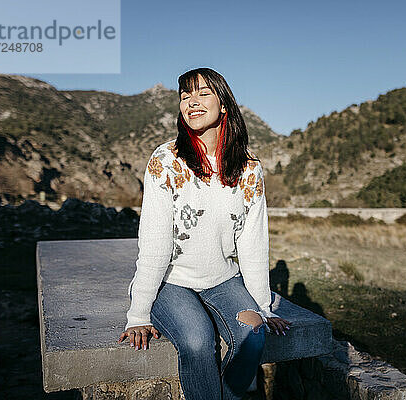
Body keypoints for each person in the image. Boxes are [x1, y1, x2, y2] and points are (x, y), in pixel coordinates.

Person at [117, 67, 292, 400]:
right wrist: (138, 313)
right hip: (172, 281)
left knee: (253, 334)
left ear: (223, 104)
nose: (191, 102)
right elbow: (154, 242)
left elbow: (252, 243)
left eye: (202, 93)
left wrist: (264, 307)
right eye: (185, 95)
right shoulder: (166, 160)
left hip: (222, 279)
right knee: (198, 341)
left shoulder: (249, 167)